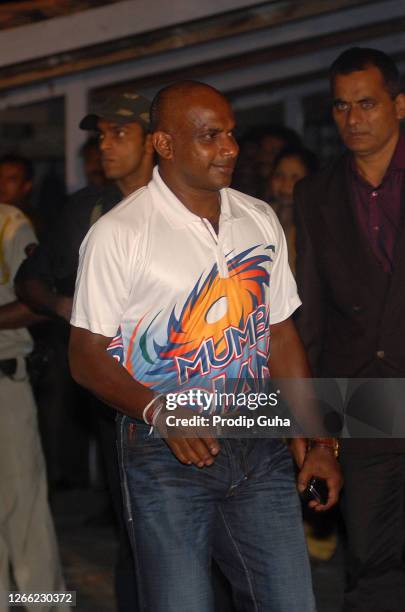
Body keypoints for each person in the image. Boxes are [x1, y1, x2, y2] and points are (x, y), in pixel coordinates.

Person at [69, 80, 342, 612]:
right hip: (165, 448)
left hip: (258, 437)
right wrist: (160, 411)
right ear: (165, 145)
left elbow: (280, 333)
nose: (230, 148)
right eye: (210, 136)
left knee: (289, 601)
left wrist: (320, 442)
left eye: (232, 134)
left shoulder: (257, 218)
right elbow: (84, 355)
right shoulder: (120, 234)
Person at [16, 91, 154, 612]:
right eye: (101, 137)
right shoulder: (87, 210)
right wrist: (65, 302)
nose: (105, 146)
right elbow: (30, 280)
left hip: (192, 391)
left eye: (120, 133)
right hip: (114, 394)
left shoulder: (190, 202)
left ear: (155, 141)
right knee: (136, 531)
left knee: (206, 530)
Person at [294, 47, 405, 611]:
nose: (354, 119)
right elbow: (310, 319)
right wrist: (319, 438)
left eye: (367, 104)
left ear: (399, 105)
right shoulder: (315, 193)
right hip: (364, 405)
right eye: (341, 107)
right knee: (372, 566)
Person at [0, 203, 68, 611]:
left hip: (5, 383)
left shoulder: (9, 223)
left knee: (24, 514)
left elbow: (39, 300)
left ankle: (47, 605)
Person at [269, 146, 319, 274]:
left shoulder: (317, 226)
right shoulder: (259, 217)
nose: (286, 185)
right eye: (279, 175)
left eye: (295, 178)